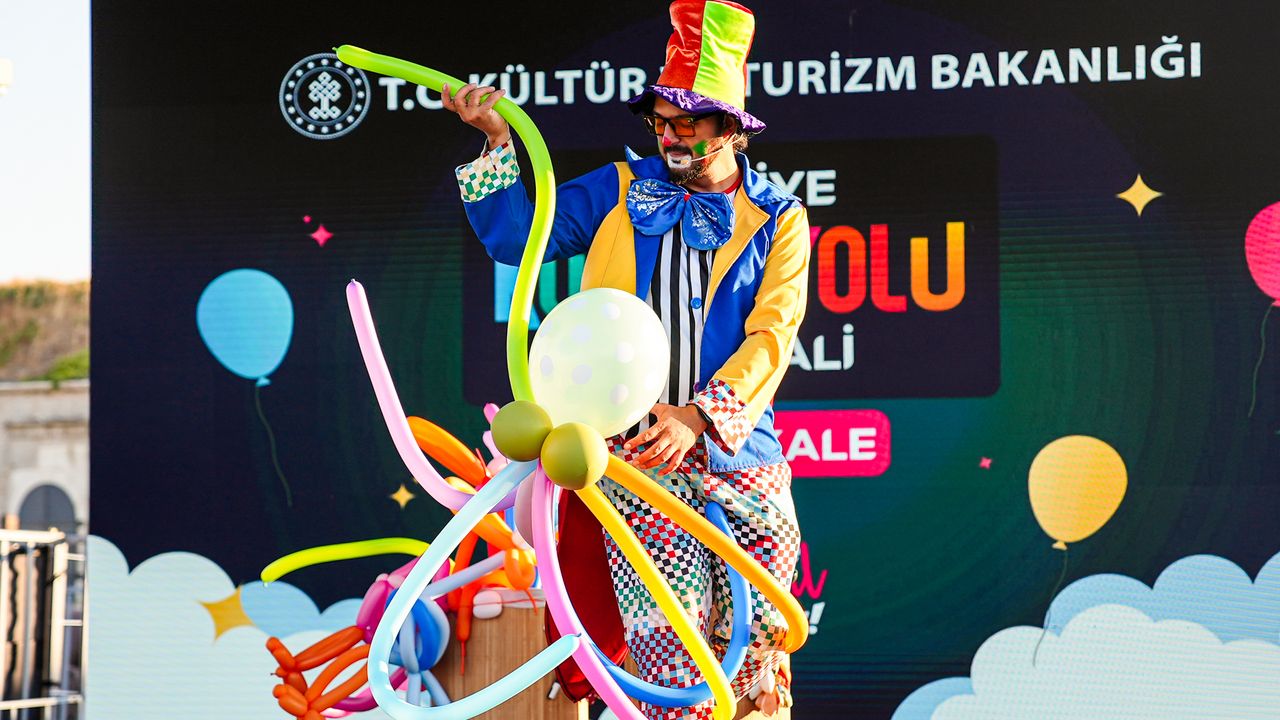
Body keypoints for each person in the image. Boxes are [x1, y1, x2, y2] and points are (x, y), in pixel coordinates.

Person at [443, 2, 808, 717]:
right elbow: (516, 239)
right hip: (638, 462)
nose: (669, 135)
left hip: (739, 455)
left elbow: (773, 334)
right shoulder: (617, 189)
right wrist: (495, 141)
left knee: (764, 632)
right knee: (669, 648)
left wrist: (699, 418)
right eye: (660, 121)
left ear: (729, 128)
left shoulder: (778, 216)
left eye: (687, 123)